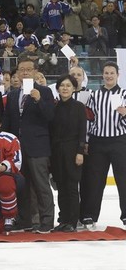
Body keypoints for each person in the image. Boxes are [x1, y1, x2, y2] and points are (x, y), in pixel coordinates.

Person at [3, 58, 55, 233]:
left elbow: (50, 117)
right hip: (18, 149)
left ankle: (46, 221)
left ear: (35, 72)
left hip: (38, 146)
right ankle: (25, 220)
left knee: (41, 186)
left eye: (28, 69)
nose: (25, 72)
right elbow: (8, 122)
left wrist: (39, 100)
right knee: (22, 186)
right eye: (21, 70)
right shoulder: (12, 95)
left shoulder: (45, 92)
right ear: (17, 73)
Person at [81, 62, 126, 228]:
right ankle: (90, 215)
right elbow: (89, 118)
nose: (108, 76)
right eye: (106, 73)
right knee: (95, 180)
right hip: (97, 141)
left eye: (111, 73)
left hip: (120, 141)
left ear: (117, 75)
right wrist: (86, 141)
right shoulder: (94, 95)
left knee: (124, 179)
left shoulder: (124, 94)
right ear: (102, 75)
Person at [49, 74, 86, 233]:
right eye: (62, 85)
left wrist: (80, 152)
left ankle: (72, 220)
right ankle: (63, 220)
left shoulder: (78, 107)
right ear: (58, 88)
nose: (65, 88)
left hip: (72, 151)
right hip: (57, 152)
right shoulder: (54, 107)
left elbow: (82, 131)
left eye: (68, 86)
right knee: (61, 187)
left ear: (73, 88)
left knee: (71, 187)